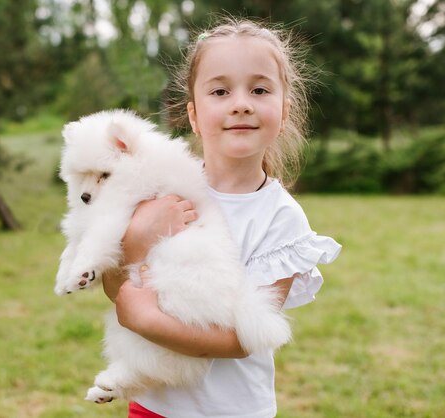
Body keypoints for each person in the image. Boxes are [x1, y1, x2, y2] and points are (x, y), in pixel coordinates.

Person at [102, 17, 342, 418]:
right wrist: (134, 242)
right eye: (220, 90)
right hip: (154, 405)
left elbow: (242, 339)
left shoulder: (281, 219)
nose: (241, 102)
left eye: (260, 89)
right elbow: (118, 287)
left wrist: (145, 319)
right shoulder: (162, 191)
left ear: (283, 113)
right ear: (194, 115)